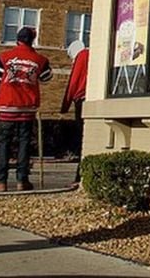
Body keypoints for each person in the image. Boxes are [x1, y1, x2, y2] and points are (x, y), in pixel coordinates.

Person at [0, 27, 52, 192]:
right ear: (32, 40)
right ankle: (22, 180)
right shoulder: (40, 59)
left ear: (17, 39)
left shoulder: (4, 57)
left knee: (4, 144)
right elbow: (46, 77)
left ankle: (0, 182)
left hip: (7, 107)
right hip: (28, 108)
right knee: (24, 144)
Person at [60, 40, 89, 188]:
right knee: (86, 139)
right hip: (91, 98)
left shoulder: (82, 56)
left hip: (82, 100)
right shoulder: (92, 54)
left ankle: (79, 176)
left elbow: (74, 81)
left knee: (81, 141)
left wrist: (65, 105)